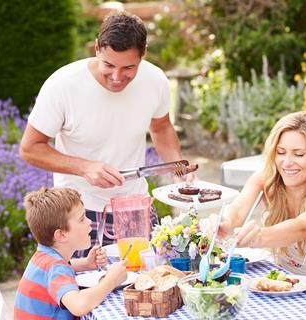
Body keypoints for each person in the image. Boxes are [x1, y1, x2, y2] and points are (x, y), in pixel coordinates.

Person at [19, 11, 193, 253]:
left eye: (128, 68)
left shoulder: (155, 80)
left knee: (146, 284)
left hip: (135, 207)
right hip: (77, 215)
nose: (117, 77)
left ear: (143, 54)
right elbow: (30, 149)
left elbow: (161, 126)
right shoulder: (62, 85)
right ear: (97, 48)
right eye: (109, 65)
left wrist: (177, 167)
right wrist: (85, 167)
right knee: (83, 289)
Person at [210, 111, 306, 289]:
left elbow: (300, 228)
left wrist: (258, 237)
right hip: (282, 288)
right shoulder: (265, 181)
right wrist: (223, 223)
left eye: (299, 154)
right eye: (281, 152)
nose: (287, 162)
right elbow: (237, 210)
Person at [14, 187, 128, 319]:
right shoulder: (56, 267)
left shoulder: (43, 257)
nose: (89, 222)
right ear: (61, 235)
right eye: (82, 219)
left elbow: (62, 268)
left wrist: (86, 263)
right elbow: (79, 306)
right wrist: (111, 280)